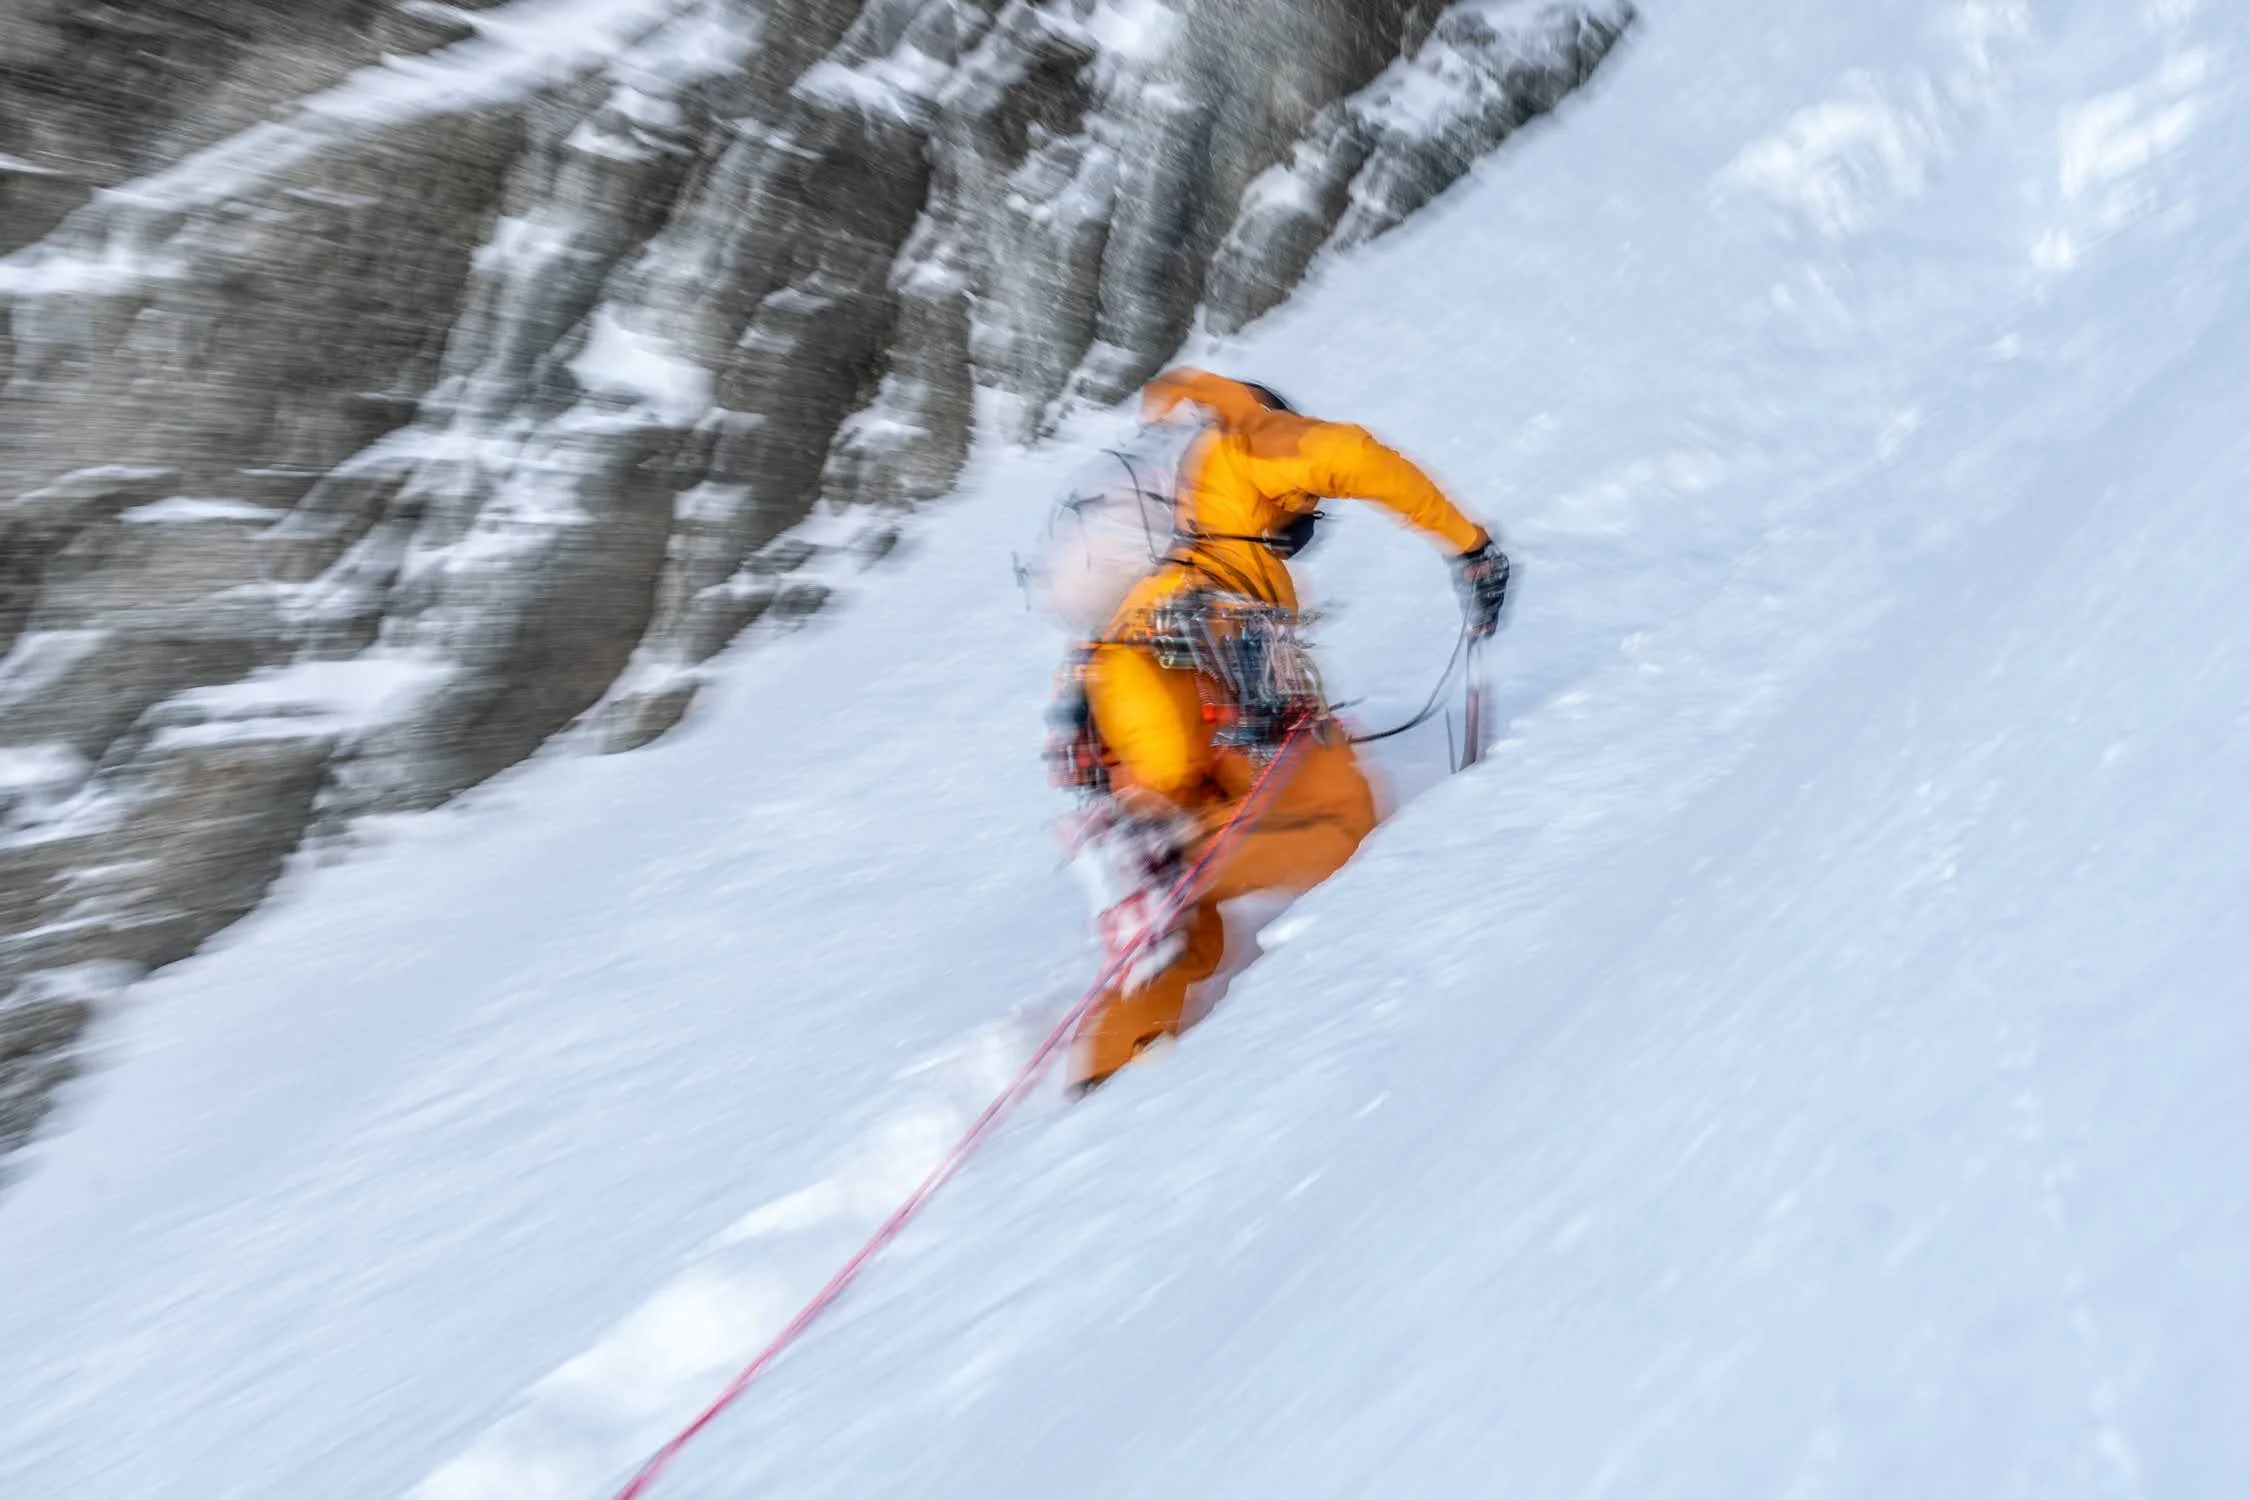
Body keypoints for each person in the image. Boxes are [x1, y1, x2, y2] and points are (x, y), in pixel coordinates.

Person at [1055, 367, 1510, 1092]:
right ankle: (1170, 866)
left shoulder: (1169, 506)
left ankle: (1112, 1067)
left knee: (1177, 898)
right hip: (1199, 673)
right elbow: (1353, 453)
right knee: (1339, 820)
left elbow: (1115, 648)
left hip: (1128, 698)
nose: (1304, 521)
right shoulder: (1247, 438)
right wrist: (1470, 544)